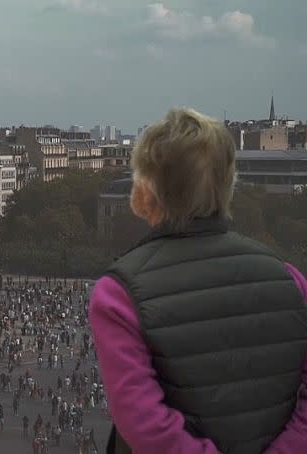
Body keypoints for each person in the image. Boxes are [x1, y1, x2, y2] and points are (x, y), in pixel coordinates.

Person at [89, 108, 307, 453]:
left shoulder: (118, 295)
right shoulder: (291, 280)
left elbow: (144, 424)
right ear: (228, 186)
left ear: (144, 192)